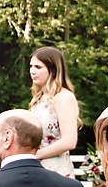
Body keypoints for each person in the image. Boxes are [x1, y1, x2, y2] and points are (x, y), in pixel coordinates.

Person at [28, 45, 80, 176]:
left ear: (52, 70)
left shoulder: (63, 97)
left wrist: (34, 155)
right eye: (31, 66)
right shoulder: (38, 99)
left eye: (38, 67)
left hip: (56, 171)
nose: (32, 71)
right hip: (36, 169)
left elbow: (69, 141)